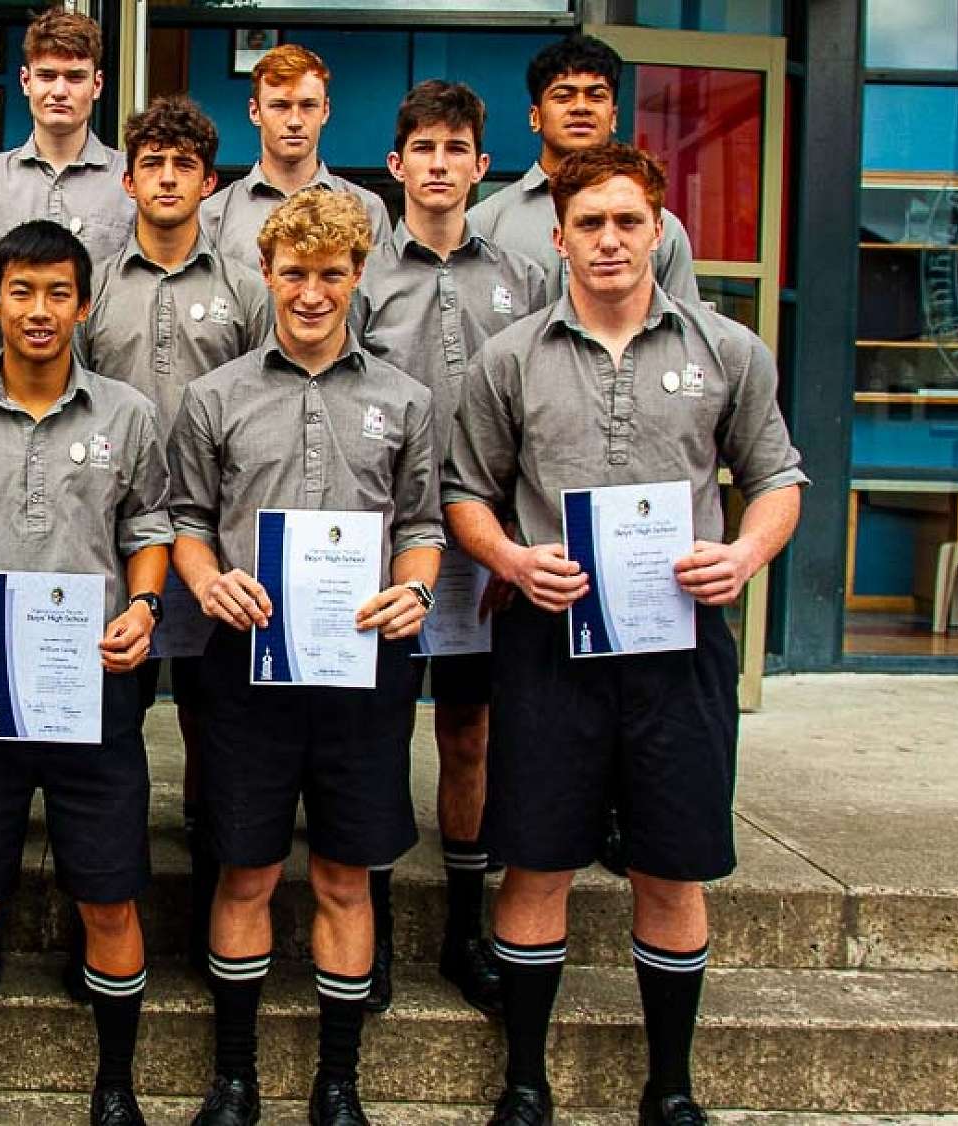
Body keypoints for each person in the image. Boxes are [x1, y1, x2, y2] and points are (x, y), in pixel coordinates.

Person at [444, 144, 806, 1126]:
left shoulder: (727, 349)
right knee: (537, 861)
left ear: (658, 231)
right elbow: (465, 492)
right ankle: (524, 1083)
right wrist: (510, 559)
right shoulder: (509, 358)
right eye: (589, 224)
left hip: (678, 645)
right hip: (547, 642)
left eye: (626, 222)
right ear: (558, 238)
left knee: (671, 865)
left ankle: (669, 1087)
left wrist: (743, 555)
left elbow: (775, 478)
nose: (608, 240)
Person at [169, 189, 441, 1126]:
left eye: (331, 273)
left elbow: (422, 525)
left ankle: (339, 1081)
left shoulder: (405, 399)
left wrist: (416, 590)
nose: (312, 292)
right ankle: (234, 1077)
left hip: (364, 666)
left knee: (343, 875)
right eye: (294, 273)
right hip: (247, 666)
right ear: (266, 275)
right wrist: (206, 581)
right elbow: (188, 520)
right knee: (244, 871)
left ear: (358, 274)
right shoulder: (215, 396)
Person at [0, 220, 171, 1126]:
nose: (40, 310)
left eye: (59, 292)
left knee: (110, 895)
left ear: (84, 306)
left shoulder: (128, 414)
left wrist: (144, 607)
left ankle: (115, 1087)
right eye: (21, 291)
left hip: (97, 682)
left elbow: (149, 526)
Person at [357, 79, 547, 1017]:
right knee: (380, 735)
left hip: (486, 540)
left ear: (483, 166)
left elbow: (542, 415)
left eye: (456, 149)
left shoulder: (526, 278)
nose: (439, 165)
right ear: (396, 166)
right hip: (384, 544)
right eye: (423, 148)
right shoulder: (360, 278)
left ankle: (465, 930)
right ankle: (377, 934)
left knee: (468, 731)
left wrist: (518, 545)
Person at [77, 92, 269, 979]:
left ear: (207, 181)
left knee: (211, 715)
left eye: (182, 165)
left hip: (209, 529)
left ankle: (203, 869)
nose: (165, 178)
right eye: (150, 164)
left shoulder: (244, 288)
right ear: (128, 181)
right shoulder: (94, 284)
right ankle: (100, 899)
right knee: (111, 715)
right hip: (111, 528)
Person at [468, 32, 702, 307]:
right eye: (563, 96)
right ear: (535, 117)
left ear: (614, 117)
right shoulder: (485, 224)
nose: (580, 107)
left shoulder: (659, 228)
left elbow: (684, 326)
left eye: (596, 96)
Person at [0, 8, 135, 263]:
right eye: (47, 76)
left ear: (97, 85)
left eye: (75, 77)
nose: (60, 91)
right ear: (25, 81)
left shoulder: (131, 179)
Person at [199, 44, 391, 274]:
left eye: (308, 106)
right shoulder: (214, 214)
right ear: (255, 111)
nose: (295, 121)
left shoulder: (368, 210)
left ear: (325, 111)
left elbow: (380, 295)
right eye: (280, 106)